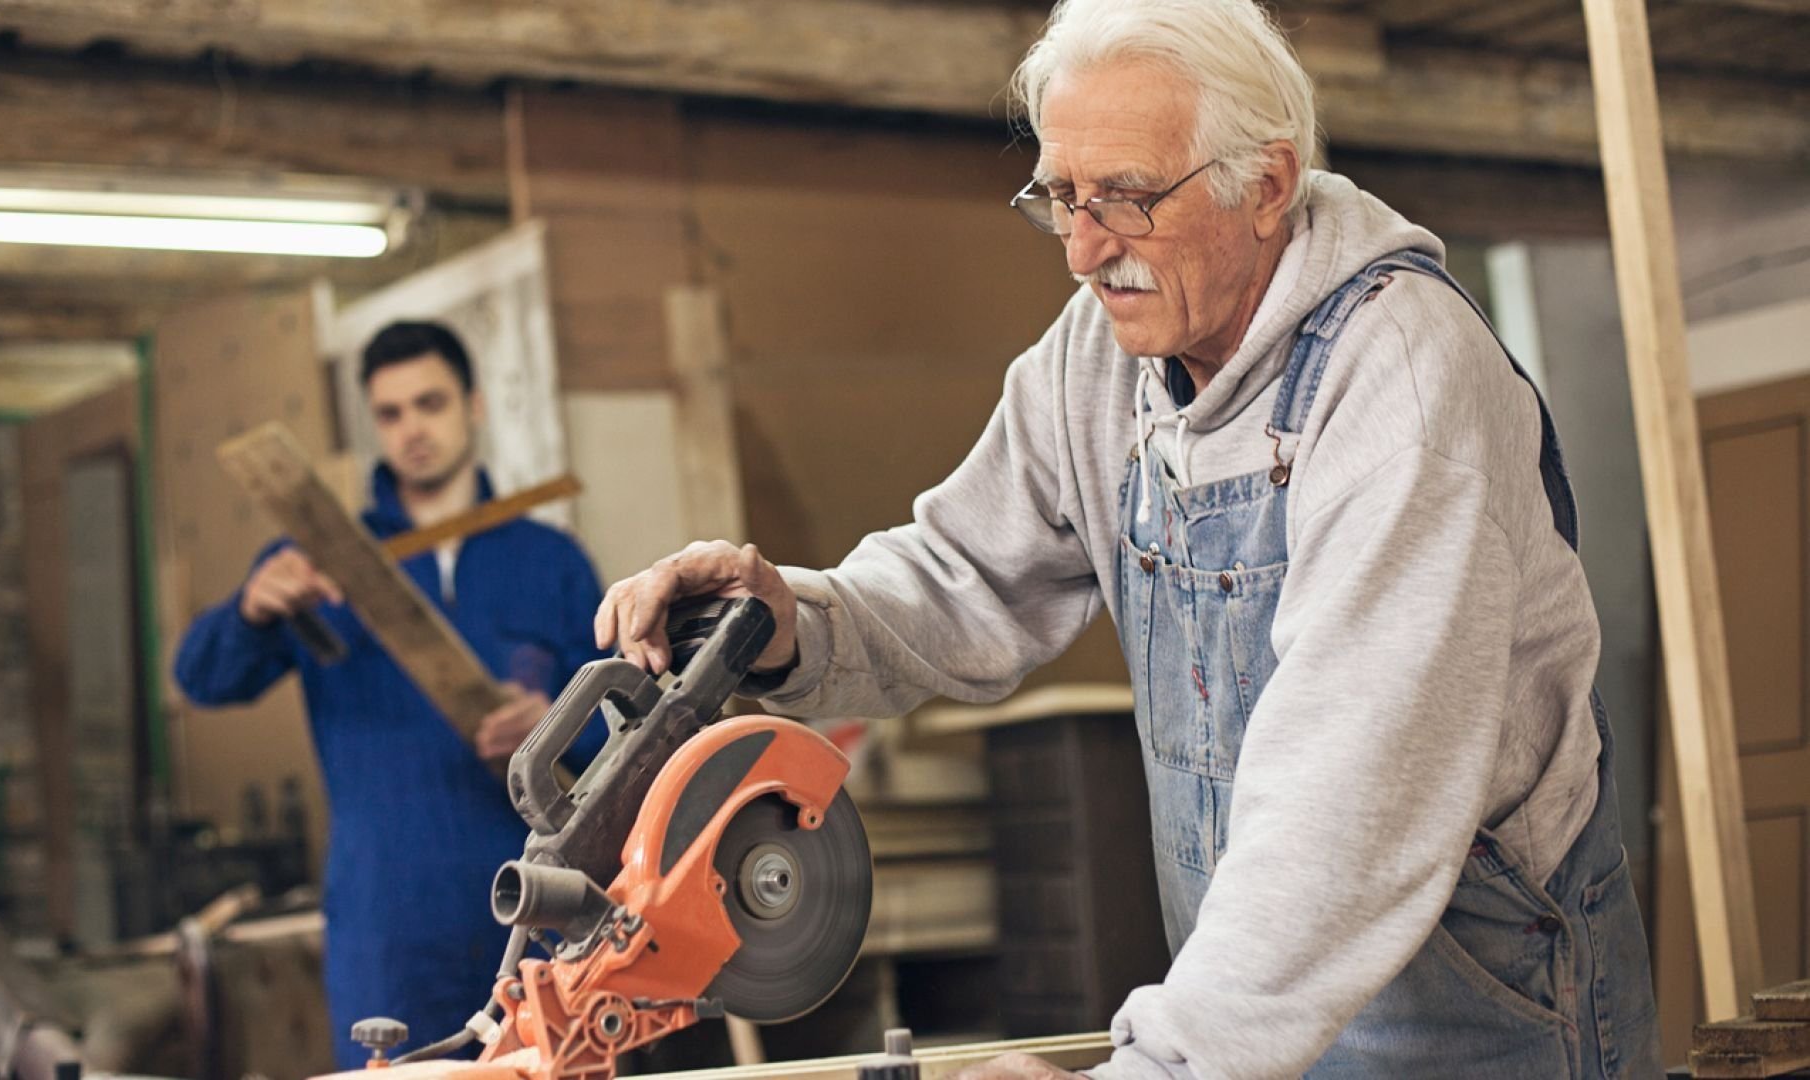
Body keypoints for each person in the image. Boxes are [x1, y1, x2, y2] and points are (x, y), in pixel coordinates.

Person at [594, 1, 1660, 1076]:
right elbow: (964, 574)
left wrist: (1156, 1069)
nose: (1083, 249)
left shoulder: (1402, 383)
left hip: (1469, 1008)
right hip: (1246, 1003)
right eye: (1061, 197)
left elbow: (1350, 805)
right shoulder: (1104, 360)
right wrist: (792, 622)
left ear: (1268, 186)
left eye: (1128, 199)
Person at [174, 320, 607, 1067]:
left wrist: (555, 728)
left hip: (538, 901)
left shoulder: (551, 560)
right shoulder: (318, 563)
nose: (412, 430)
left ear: (473, 405)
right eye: (391, 413)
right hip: (388, 915)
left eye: (430, 404)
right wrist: (251, 609)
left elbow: (627, 721)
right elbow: (202, 678)